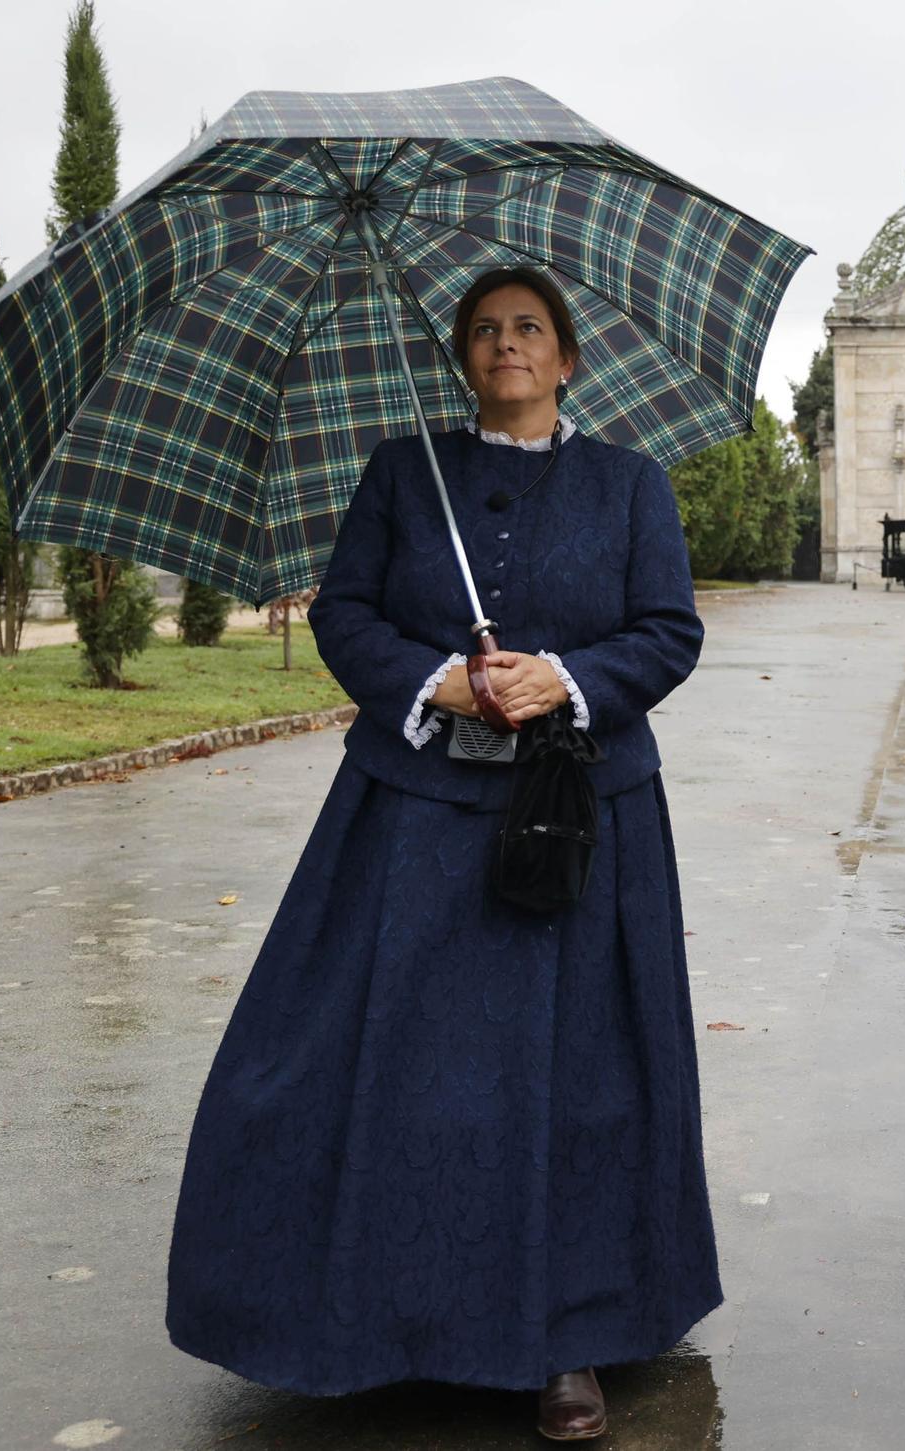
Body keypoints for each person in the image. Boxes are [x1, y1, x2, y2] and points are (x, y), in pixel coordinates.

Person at [166, 267, 717, 1442]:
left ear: (568, 357)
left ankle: (566, 1336)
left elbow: (667, 630)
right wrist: (442, 678)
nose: (506, 345)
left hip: (584, 823)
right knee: (390, 1066)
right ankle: (388, 1318)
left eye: (528, 329)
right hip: (411, 819)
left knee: (580, 1081)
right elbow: (345, 612)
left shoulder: (630, 485)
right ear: (463, 358)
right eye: (485, 331)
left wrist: (564, 675)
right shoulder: (399, 475)